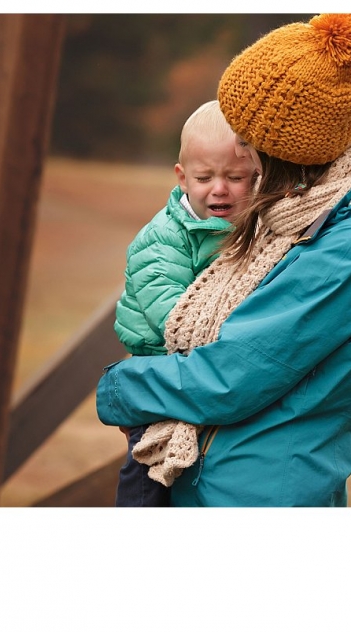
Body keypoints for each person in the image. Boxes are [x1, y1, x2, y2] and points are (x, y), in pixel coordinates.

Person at [97, 13, 351, 506]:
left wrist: (119, 387)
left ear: (284, 149)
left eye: (246, 138)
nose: (239, 149)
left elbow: (229, 377)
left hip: (254, 494)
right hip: (226, 481)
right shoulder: (303, 212)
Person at [112, 99, 257, 506]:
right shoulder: (164, 239)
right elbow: (173, 316)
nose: (219, 188)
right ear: (182, 177)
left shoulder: (250, 226)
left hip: (197, 371)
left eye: (235, 177)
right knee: (148, 467)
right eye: (204, 177)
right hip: (159, 367)